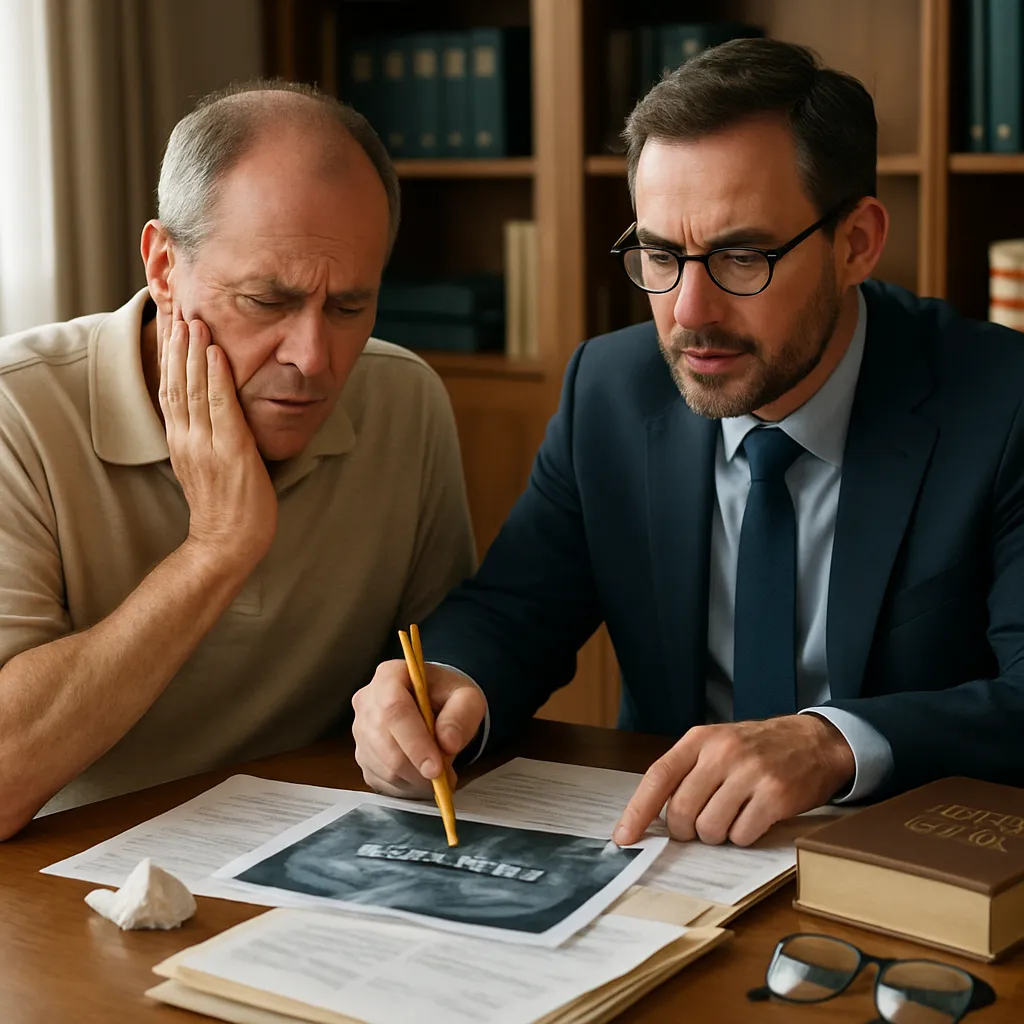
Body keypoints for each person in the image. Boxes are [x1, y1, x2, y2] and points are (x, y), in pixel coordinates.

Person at [352, 39, 1024, 848]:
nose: (689, 312)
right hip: (670, 853)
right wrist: (442, 688)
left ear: (856, 243)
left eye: (741, 256)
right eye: (660, 255)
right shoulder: (610, 389)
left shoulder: (1003, 405)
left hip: (906, 858)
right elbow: (515, 608)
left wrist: (832, 744)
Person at [0, 80, 475, 836]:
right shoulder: (15, 412)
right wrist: (218, 548)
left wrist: (432, 714)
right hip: (70, 882)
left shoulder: (405, 400)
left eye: (349, 306)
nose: (313, 358)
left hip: (323, 851)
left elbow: (440, 663)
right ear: (163, 267)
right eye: (267, 301)